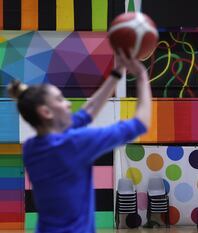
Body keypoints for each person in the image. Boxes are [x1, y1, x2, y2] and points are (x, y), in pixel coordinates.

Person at [7, 51, 152, 233]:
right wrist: (141, 76)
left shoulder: (31, 147)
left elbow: (87, 112)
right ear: (46, 112)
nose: (67, 103)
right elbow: (140, 123)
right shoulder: (74, 144)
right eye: (60, 99)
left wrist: (116, 74)